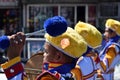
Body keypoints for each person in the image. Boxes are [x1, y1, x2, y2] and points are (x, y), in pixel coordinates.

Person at [1, 16, 87, 80]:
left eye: (46, 51)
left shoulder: (49, 78)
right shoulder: (75, 72)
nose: (43, 55)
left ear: (58, 56)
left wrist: (13, 60)